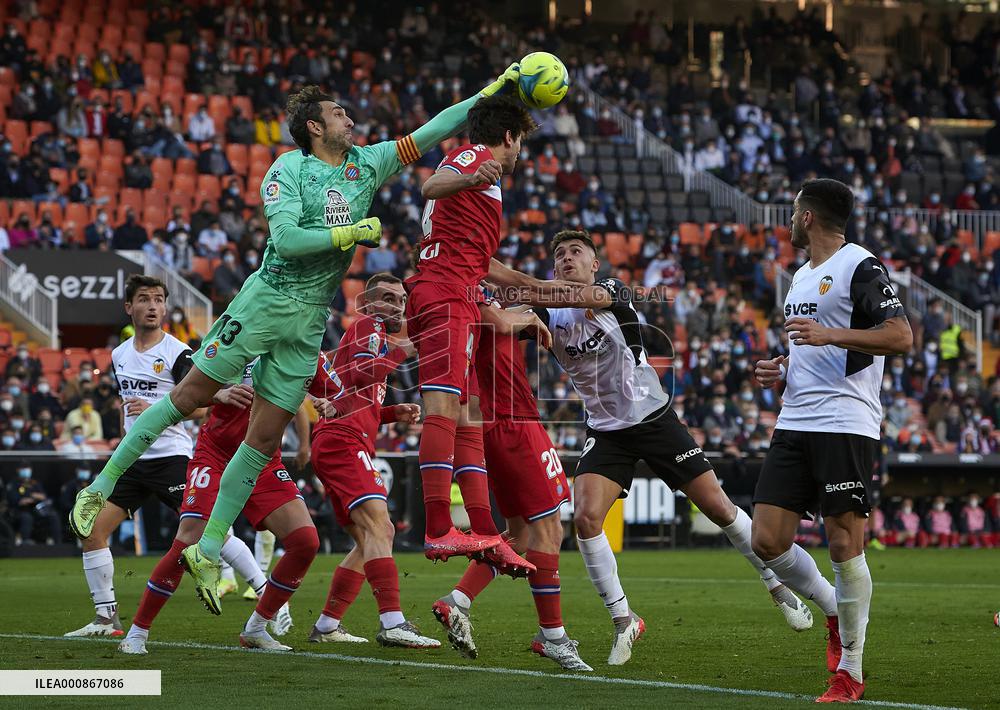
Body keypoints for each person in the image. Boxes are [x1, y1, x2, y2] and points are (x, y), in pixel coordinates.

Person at [72, 68, 524, 616]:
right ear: (314, 126)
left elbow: (434, 129)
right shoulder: (290, 168)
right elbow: (285, 240)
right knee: (189, 397)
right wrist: (350, 234)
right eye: (338, 114)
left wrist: (491, 89)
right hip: (266, 302)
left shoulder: (367, 163)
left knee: (264, 440)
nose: (349, 119)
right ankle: (99, 487)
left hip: (310, 321)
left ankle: (209, 548)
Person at [512, 229, 812, 666]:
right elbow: (502, 313)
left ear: (595, 264)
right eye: (559, 254)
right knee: (586, 518)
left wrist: (503, 275)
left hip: (652, 418)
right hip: (607, 429)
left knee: (720, 509)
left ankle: (775, 583)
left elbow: (546, 293)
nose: (566, 258)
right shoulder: (546, 313)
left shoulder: (610, 289)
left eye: (576, 251)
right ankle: (623, 618)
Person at [750, 179, 912, 702]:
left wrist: (831, 335)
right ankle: (835, 613)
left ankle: (851, 670)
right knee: (767, 540)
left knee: (845, 543)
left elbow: (900, 336)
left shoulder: (860, 265)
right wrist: (782, 367)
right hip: (795, 418)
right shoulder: (800, 277)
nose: (791, 220)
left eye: (794, 211)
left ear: (809, 218)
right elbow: (811, 346)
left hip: (845, 421)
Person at [63, 275, 257, 638]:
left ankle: (267, 595)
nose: (152, 306)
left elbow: (200, 406)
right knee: (91, 530)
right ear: (129, 307)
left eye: (158, 300)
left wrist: (153, 406)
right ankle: (107, 620)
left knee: (207, 531)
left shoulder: (179, 352)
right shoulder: (119, 355)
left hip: (172, 458)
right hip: (132, 460)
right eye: (144, 299)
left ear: (165, 308)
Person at [405, 94, 538, 567]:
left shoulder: (486, 183)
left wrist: (530, 285)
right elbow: (432, 184)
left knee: (470, 412)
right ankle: (439, 527)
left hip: (457, 291)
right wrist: (469, 174)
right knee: (444, 407)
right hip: (443, 293)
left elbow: (480, 260)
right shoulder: (478, 158)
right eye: (520, 140)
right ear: (508, 136)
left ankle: (484, 533)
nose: (520, 151)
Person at [432, 297, 590, 671]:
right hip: (513, 421)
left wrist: (525, 315)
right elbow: (500, 321)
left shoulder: (461, 299)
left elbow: (504, 318)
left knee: (518, 535)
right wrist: (529, 316)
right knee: (550, 530)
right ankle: (552, 636)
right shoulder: (467, 294)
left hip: (495, 423)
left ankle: (458, 600)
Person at [118, 362, 317, 654]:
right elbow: (188, 397)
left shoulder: (299, 346)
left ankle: (256, 629)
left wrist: (326, 409)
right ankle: (136, 633)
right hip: (217, 456)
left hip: (263, 459)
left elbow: (317, 394)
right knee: (188, 540)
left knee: (305, 542)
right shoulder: (234, 338)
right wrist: (218, 395)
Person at [306, 274, 439, 649]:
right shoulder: (370, 325)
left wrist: (393, 411)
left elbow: (355, 395)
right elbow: (364, 375)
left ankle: (328, 625)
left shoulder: (370, 334)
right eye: (386, 298)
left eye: (400, 300)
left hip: (340, 439)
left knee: (368, 540)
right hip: (344, 443)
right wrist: (403, 350)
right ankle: (393, 622)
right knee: (383, 528)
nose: (395, 305)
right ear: (366, 303)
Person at [6, 463, 60, 545]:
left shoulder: (35, 482)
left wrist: (33, 496)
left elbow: (43, 496)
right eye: (23, 468)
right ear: (18, 470)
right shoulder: (14, 483)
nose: (26, 471)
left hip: (37, 510)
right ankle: (25, 542)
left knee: (53, 516)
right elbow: (14, 500)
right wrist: (26, 499)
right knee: (27, 518)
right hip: (21, 511)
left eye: (27, 468)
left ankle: (58, 542)